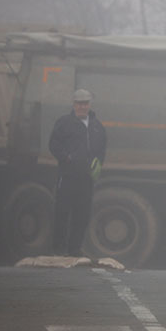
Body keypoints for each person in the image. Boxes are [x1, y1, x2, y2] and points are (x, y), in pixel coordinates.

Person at [48, 88, 107, 257]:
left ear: (90, 105)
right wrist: (66, 158)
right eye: (79, 103)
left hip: (86, 179)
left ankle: (74, 249)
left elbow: (102, 148)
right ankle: (58, 249)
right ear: (74, 104)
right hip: (67, 177)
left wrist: (98, 163)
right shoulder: (63, 123)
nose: (82, 107)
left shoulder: (97, 126)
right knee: (62, 213)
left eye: (85, 103)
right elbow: (53, 145)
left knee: (82, 215)